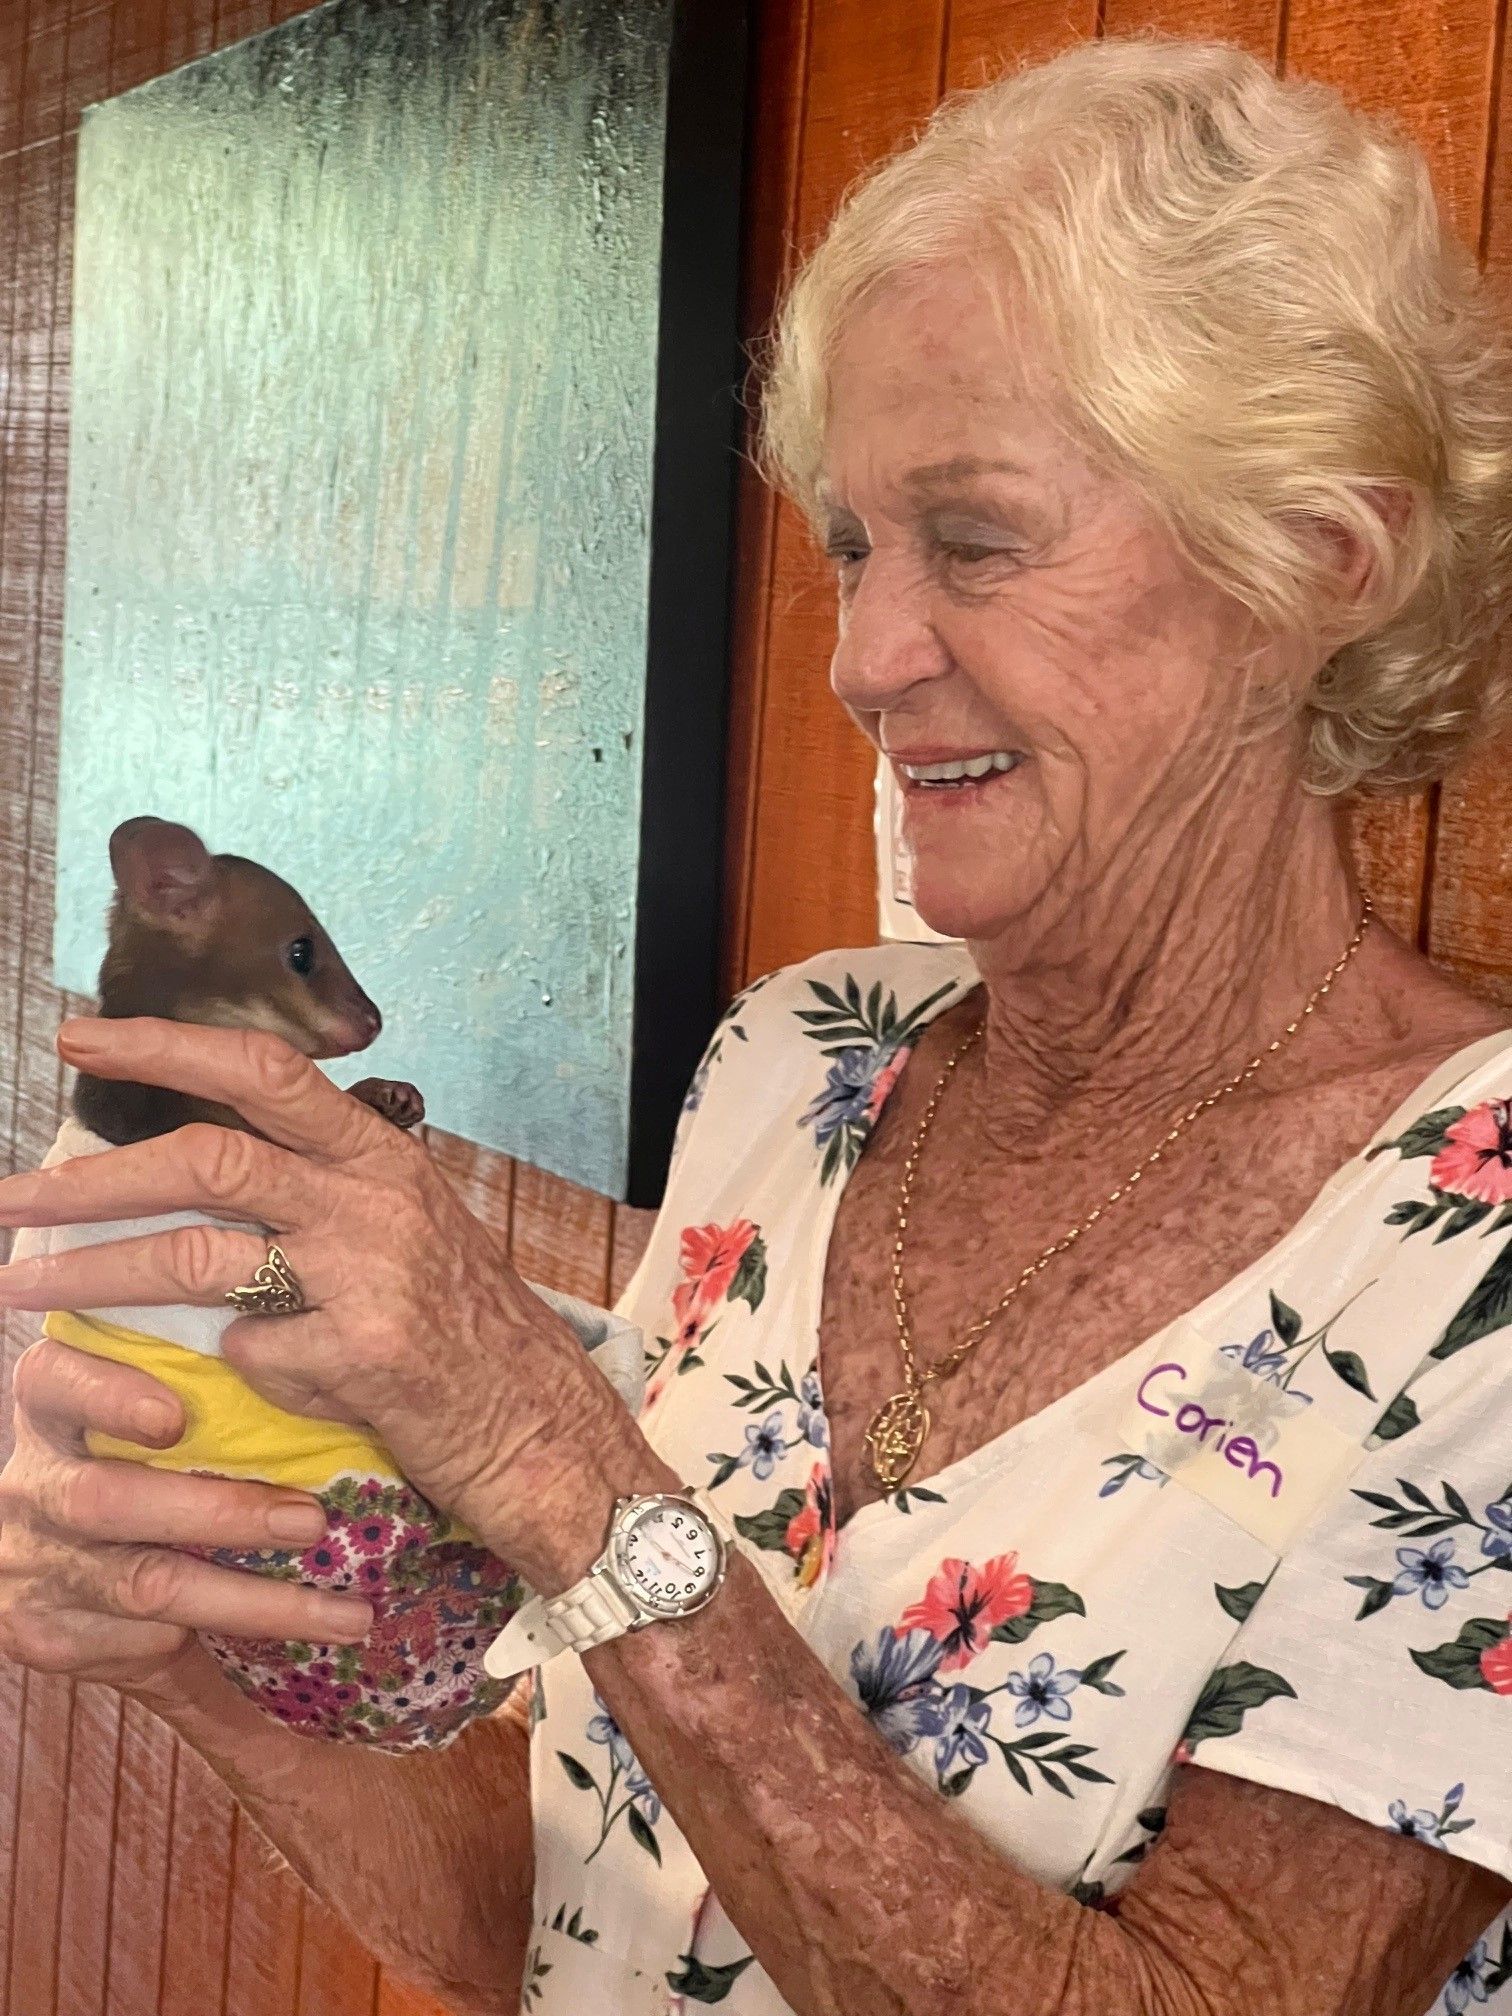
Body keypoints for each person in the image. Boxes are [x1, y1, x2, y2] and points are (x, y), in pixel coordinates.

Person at [2, 33, 1512, 2016]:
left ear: (1321, 563)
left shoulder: (1467, 1238)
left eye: (974, 541)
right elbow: (577, 1915)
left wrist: (561, 1466)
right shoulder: (806, 1063)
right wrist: (166, 1639)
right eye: (854, 548)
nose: (867, 659)